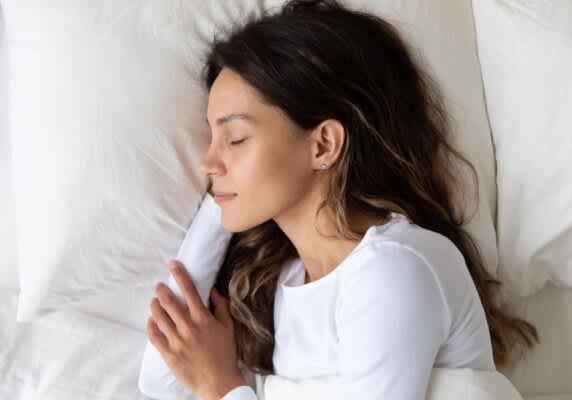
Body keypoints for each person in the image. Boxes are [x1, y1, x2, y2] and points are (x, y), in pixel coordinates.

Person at [146, 1, 540, 399]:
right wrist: (223, 198)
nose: (207, 162)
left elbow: (205, 384)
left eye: (236, 138)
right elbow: (162, 383)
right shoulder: (284, 280)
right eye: (212, 138)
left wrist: (221, 387)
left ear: (324, 144)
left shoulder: (393, 270)